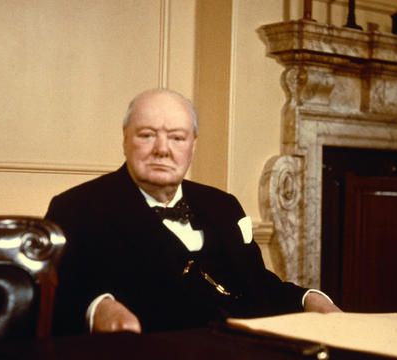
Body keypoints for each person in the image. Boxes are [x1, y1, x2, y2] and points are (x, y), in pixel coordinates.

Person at [45, 88, 340, 335]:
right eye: (147, 135)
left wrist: (308, 298)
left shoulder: (223, 205)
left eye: (177, 138)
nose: (162, 149)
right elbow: (59, 299)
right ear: (125, 139)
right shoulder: (76, 208)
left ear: (193, 146)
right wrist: (99, 308)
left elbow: (257, 283)